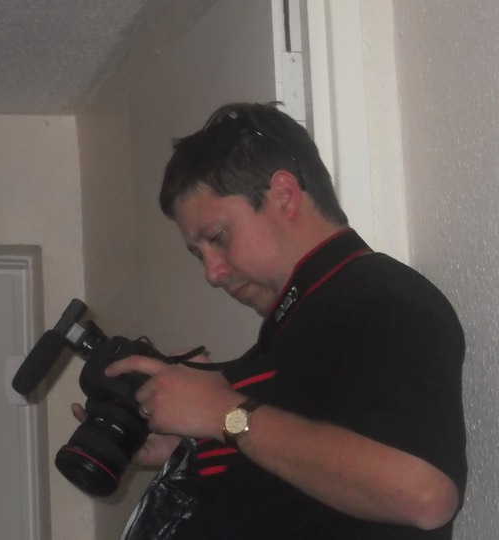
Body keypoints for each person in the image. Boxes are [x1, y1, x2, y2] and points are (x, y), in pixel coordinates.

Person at [74, 102, 467, 539]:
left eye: (218, 238)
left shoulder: (380, 297)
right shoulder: (284, 340)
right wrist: (191, 446)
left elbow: (423, 495)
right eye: (199, 254)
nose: (212, 273)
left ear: (283, 194)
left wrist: (223, 414)